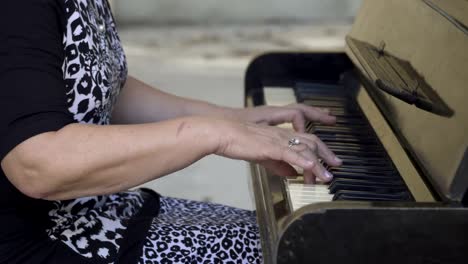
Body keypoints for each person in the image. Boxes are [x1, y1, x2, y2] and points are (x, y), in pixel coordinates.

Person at [0, 0, 342, 263]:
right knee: (305, 253)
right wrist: (211, 134)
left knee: (306, 243)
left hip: (97, 214)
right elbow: (36, 164)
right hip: (44, 242)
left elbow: (103, 89)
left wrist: (239, 120)